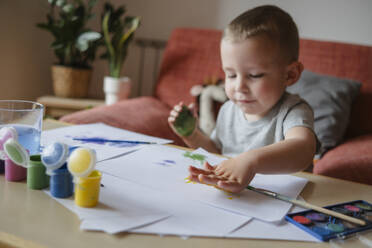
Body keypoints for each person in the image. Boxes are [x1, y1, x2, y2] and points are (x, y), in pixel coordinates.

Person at [168, 5, 317, 193]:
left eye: (254, 75)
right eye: (230, 75)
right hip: (238, 199)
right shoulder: (228, 110)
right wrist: (192, 135)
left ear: (290, 75)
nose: (239, 87)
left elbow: (302, 150)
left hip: (287, 202)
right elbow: (217, 151)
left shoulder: (293, 111)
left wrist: (251, 161)